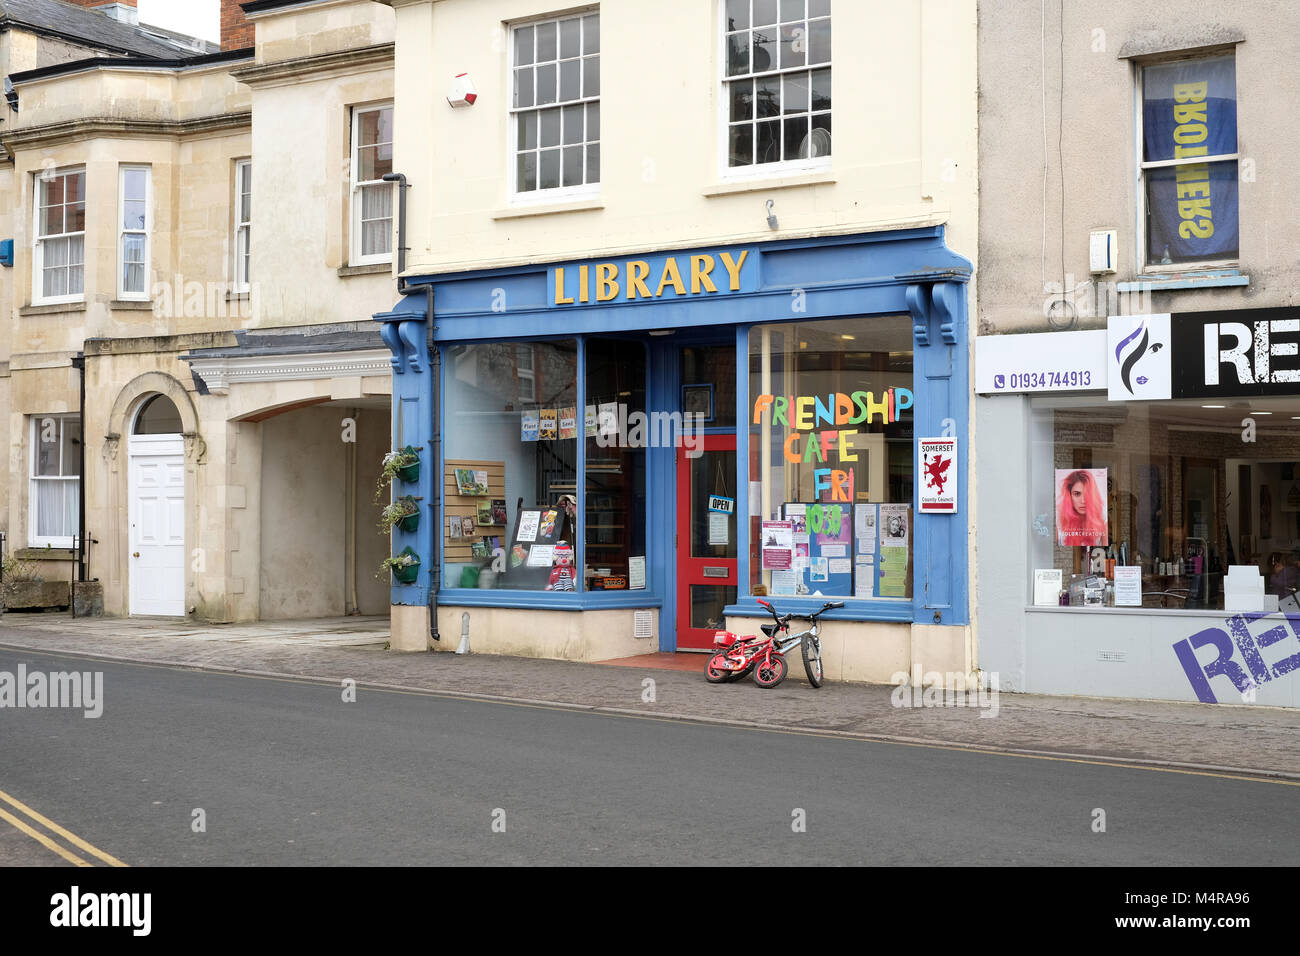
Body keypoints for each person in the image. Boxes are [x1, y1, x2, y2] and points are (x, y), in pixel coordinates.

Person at [1057, 469, 1107, 547]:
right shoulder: (1058, 519)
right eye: (1077, 494)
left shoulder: (1102, 518)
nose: (1083, 501)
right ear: (1069, 495)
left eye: (1087, 494)